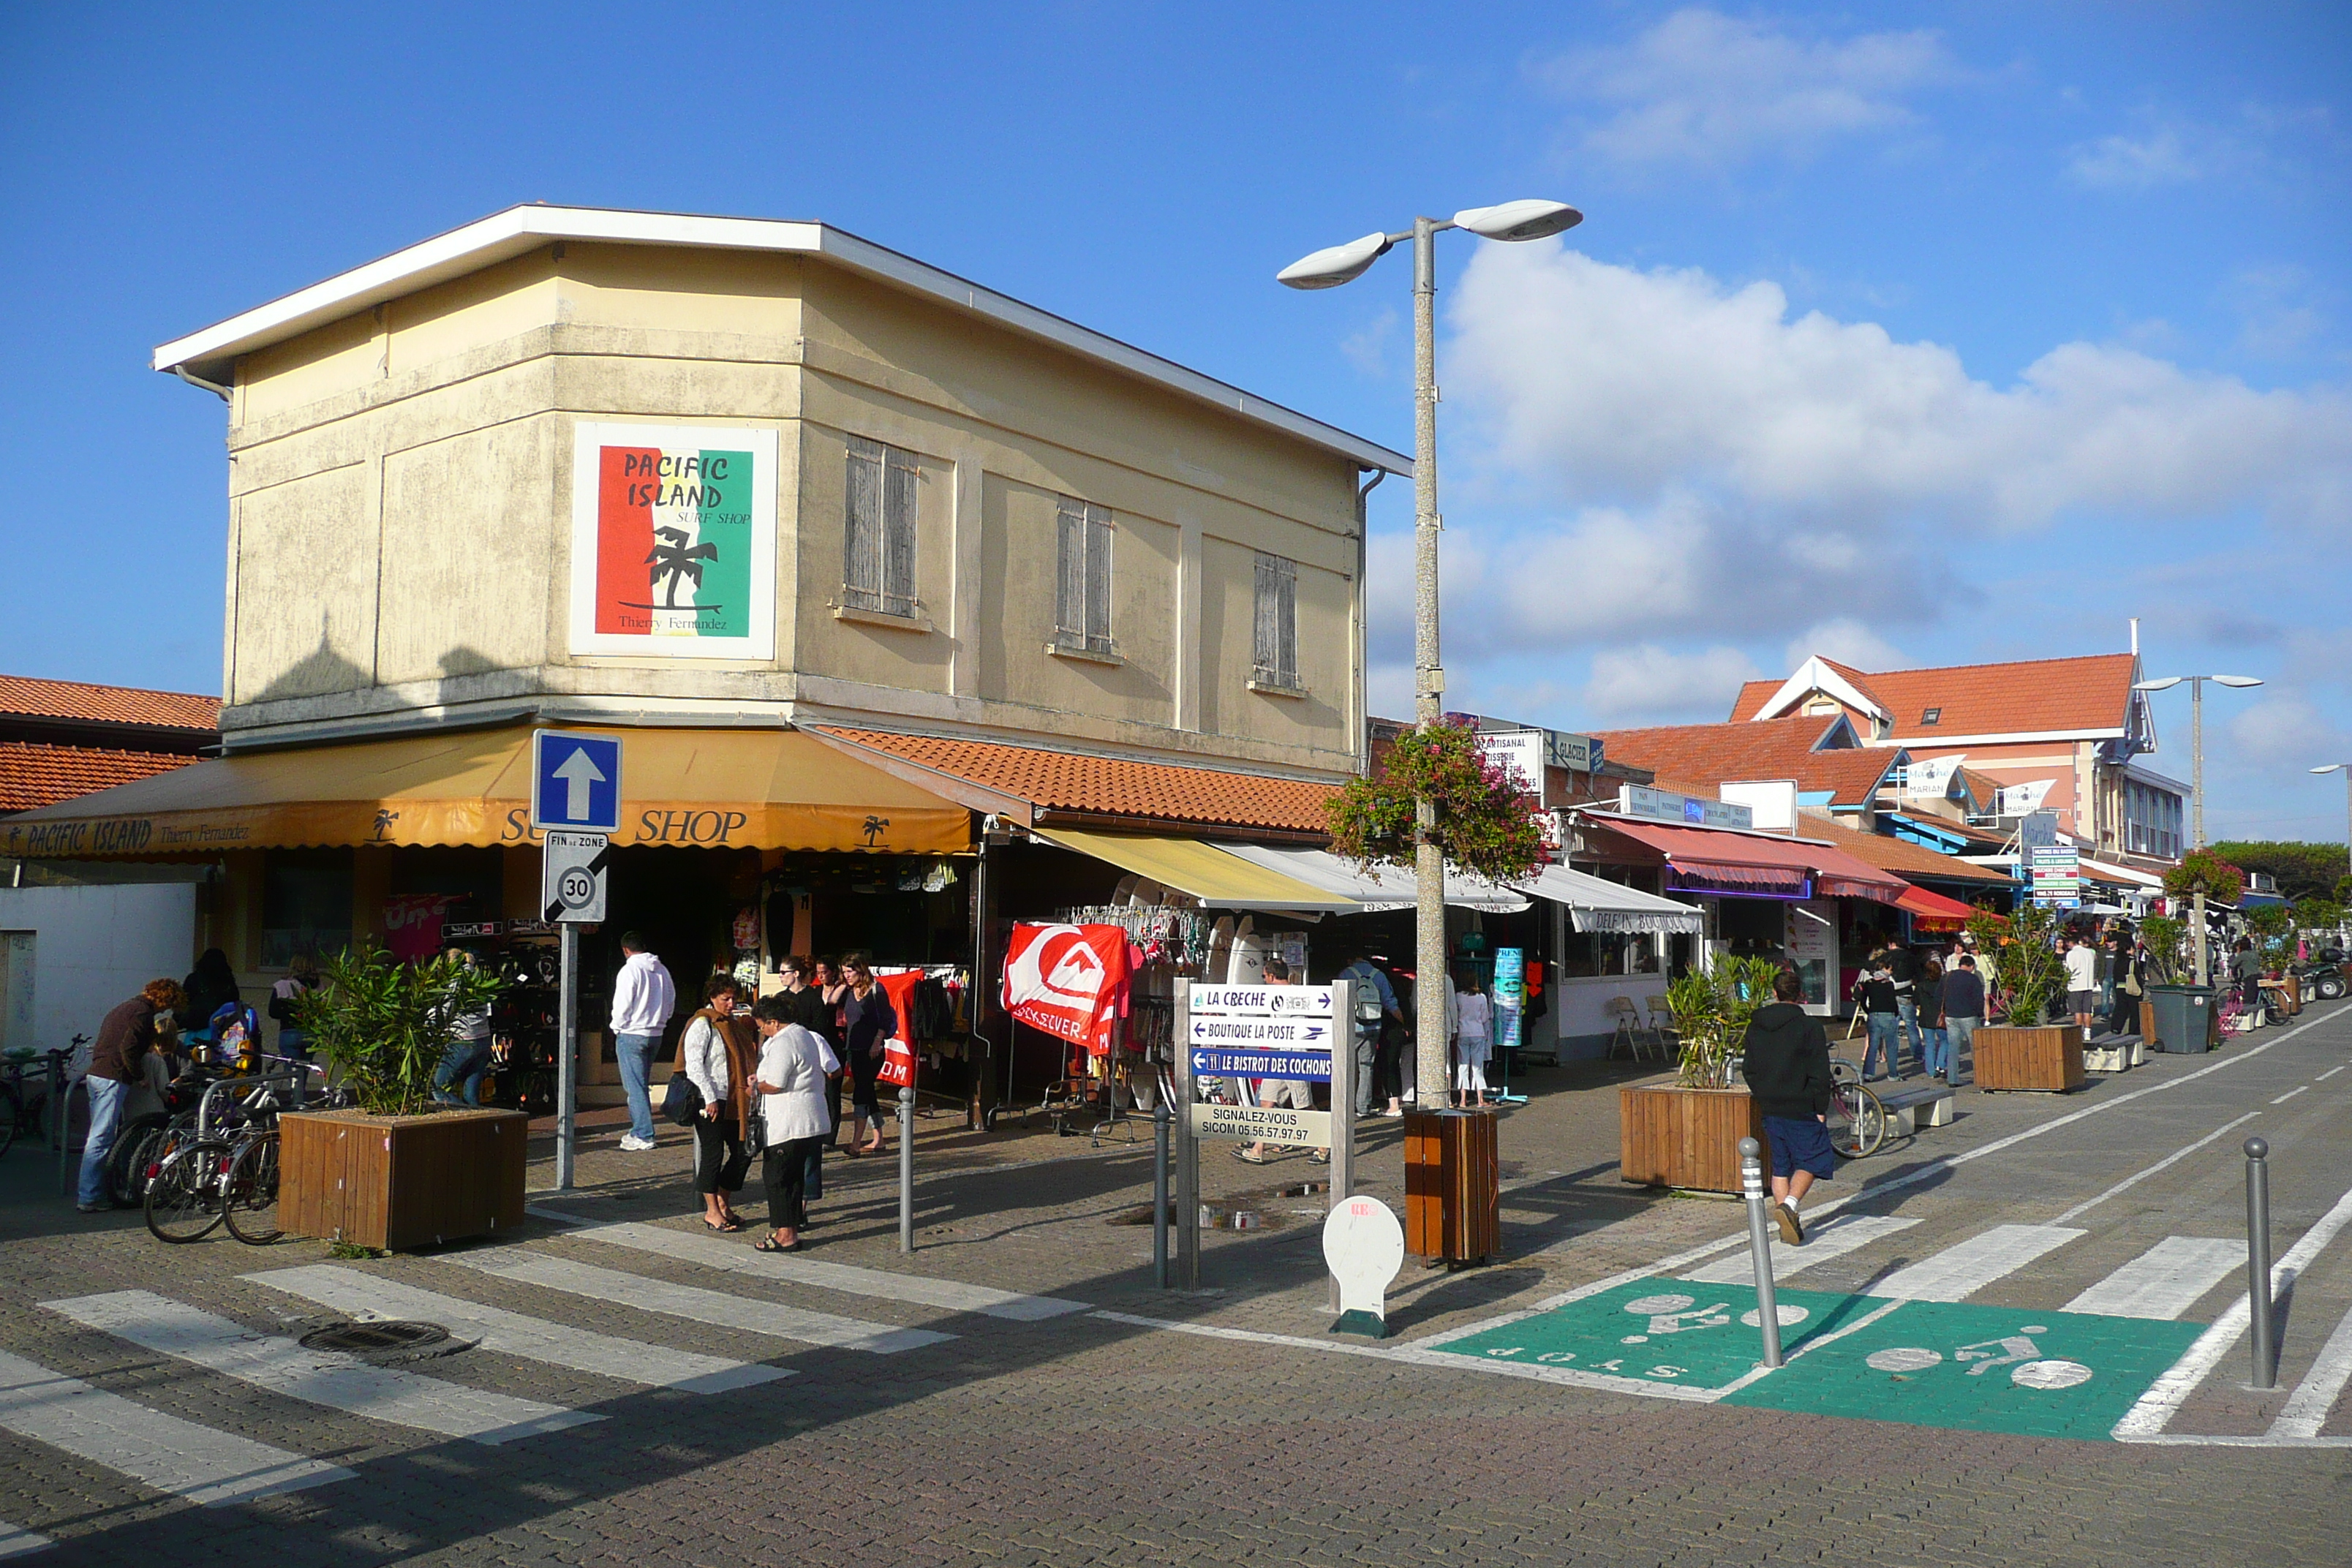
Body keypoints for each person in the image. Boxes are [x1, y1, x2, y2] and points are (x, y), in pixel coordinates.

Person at [1741, 967, 1835, 1245]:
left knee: (1781, 1164)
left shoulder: (1756, 1024)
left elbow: (1749, 1068)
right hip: (1802, 1102)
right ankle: (1790, 1206)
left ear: (1774, 993)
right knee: (1814, 1158)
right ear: (1801, 995)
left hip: (1770, 1103)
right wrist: (1821, 1106)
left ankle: (1788, 1223)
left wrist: (1762, 1093)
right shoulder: (1809, 1027)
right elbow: (1820, 1071)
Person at [80, 979, 184, 1213]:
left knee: (100, 1136)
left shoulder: (124, 1007)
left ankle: (91, 1193)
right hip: (113, 1076)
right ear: (163, 999)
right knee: (101, 1137)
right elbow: (128, 1047)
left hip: (98, 1072)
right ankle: (89, 1196)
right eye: (167, 1006)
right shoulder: (142, 1013)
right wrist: (139, 1076)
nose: (164, 1011)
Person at [747, 996, 837, 1253]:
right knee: (794, 1177)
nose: (761, 1030)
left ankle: (785, 1233)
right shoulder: (806, 1036)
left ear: (774, 1022)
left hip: (789, 1122)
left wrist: (754, 1087)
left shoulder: (784, 1042)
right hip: (810, 1119)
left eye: (762, 1025)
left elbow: (775, 1084)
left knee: (779, 1178)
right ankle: (791, 1227)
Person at [682, 975, 757, 1232]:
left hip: (735, 1099)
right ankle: (712, 1212)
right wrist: (710, 1097)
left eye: (733, 998)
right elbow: (693, 1065)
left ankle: (724, 1203)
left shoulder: (734, 1025)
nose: (730, 1003)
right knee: (713, 1154)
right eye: (725, 998)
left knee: (743, 1151)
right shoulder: (704, 1024)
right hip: (709, 1099)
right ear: (712, 998)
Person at [1235, 958, 1327, 1165]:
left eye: (1264, 977)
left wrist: (1299, 1056)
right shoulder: (1274, 996)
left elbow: (1301, 1026)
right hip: (1278, 1058)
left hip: (1295, 1058)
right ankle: (1258, 1149)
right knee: (1266, 1102)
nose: (1264, 981)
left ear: (1271, 976)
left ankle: (1325, 1142)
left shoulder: (1296, 995)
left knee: (1304, 1106)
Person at [608, 932, 678, 1152]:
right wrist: (662, 1021)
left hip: (631, 1033)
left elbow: (623, 1003)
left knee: (635, 1087)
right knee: (640, 1084)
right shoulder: (662, 970)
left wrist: (616, 1026)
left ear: (626, 950)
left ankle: (643, 1133)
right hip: (655, 1034)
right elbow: (671, 1000)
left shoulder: (629, 970)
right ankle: (640, 1130)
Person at [838, 956, 897, 1156]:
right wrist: (841, 984)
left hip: (871, 1050)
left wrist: (877, 1042)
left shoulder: (876, 990)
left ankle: (855, 1143)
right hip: (853, 1049)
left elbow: (886, 1019)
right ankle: (878, 1139)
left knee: (861, 1093)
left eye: (849, 972)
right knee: (868, 1093)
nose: (846, 976)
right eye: (844, 972)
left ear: (861, 970)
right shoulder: (847, 991)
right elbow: (829, 1001)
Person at [1334, 949, 1402, 1117]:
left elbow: (1337, 1001)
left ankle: (1345, 1106)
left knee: (1347, 1066)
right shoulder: (1378, 975)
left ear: (1351, 959)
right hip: (1374, 1027)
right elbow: (1390, 1003)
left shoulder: (1346, 974)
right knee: (1366, 1067)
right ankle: (1363, 1107)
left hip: (1352, 1027)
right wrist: (1404, 1022)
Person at [431, 949, 497, 1106]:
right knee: (471, 1093)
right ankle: (478, 1125)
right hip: (483, 1038)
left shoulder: (457, 980)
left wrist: (432, 1022)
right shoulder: (479, 976)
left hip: (463, 1040)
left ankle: (465, 1116)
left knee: (438, 1087)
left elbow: (446, 1008)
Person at [1855, 947, 1902, 1082]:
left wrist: (1869, 1011)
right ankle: (1893, 1074)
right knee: (1892, 1045)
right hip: (1888, 1015)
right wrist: (1896, 1013)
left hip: (1873, 1015)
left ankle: (1868, 1074)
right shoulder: (1888, 984)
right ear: (1886, 970)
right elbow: (1893, 1002)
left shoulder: (1868, 983)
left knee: (1873, 1045)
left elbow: (1863, 1001)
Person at [1940, 955, 1985, 1088]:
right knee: (1975, 1047)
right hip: (1969, 1016)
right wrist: (1979, 1014)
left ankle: (1953, 1079)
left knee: (1953, 1047)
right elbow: (1979, 999)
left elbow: (1938, 996)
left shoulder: (1947, 977)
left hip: (1951, 1015)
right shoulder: (1973, 978)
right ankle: (1979, 1077)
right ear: (1971, 967)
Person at [1453, 973, 1493, 1109]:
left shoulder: (1458, 997)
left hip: (1463, 1033)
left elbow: (1455, 1014)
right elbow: (1484, 1018)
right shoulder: (1481, 997)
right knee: (1477, 1067)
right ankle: (1481, 1100)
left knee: (1463, 1066)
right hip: (1478, 1033)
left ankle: (1463, 1100)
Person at [179, 948, 239, 1038]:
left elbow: (183, 1002)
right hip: (219, 1028)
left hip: (195, 1026)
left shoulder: (194, 979)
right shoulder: (227, 981)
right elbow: (234, 1003)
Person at [268, 955, 317, 1060]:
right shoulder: (319, 987)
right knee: (304, 1070)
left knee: (292, 1072)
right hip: (311, 1033)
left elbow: (273, 1012)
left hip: (289, 1032)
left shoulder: (282, 986)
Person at [1888, 941, 1923, 1076]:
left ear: (1892, 944)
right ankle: (1917, 1055)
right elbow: (1919, 976)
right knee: (1911, 1027)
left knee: (1893, 1029)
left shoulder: (1888, 957)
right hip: (1907, 995)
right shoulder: (1911, 957)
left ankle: (1893, 1057)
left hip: (1891, 996)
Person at [1917, 957, 1950, 1083]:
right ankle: (1940, 1064)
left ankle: (1930, 1071)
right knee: (1944, 1041)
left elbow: (1915, 1001)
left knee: (1929, 1044)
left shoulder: (1921, 986)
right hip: (1940, 1017)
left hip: (1925, 1018)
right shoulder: (1944, 985)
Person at [2065, 931, 2100, 1040]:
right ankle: (2088, 1031)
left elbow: (2069, 969)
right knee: (2087, 1010)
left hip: (2075, 984)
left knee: (2077, 1010)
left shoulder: (2071, 954)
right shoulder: (2089, 952)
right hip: (2088, 984)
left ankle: (2078, 1031)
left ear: (2071, 943)